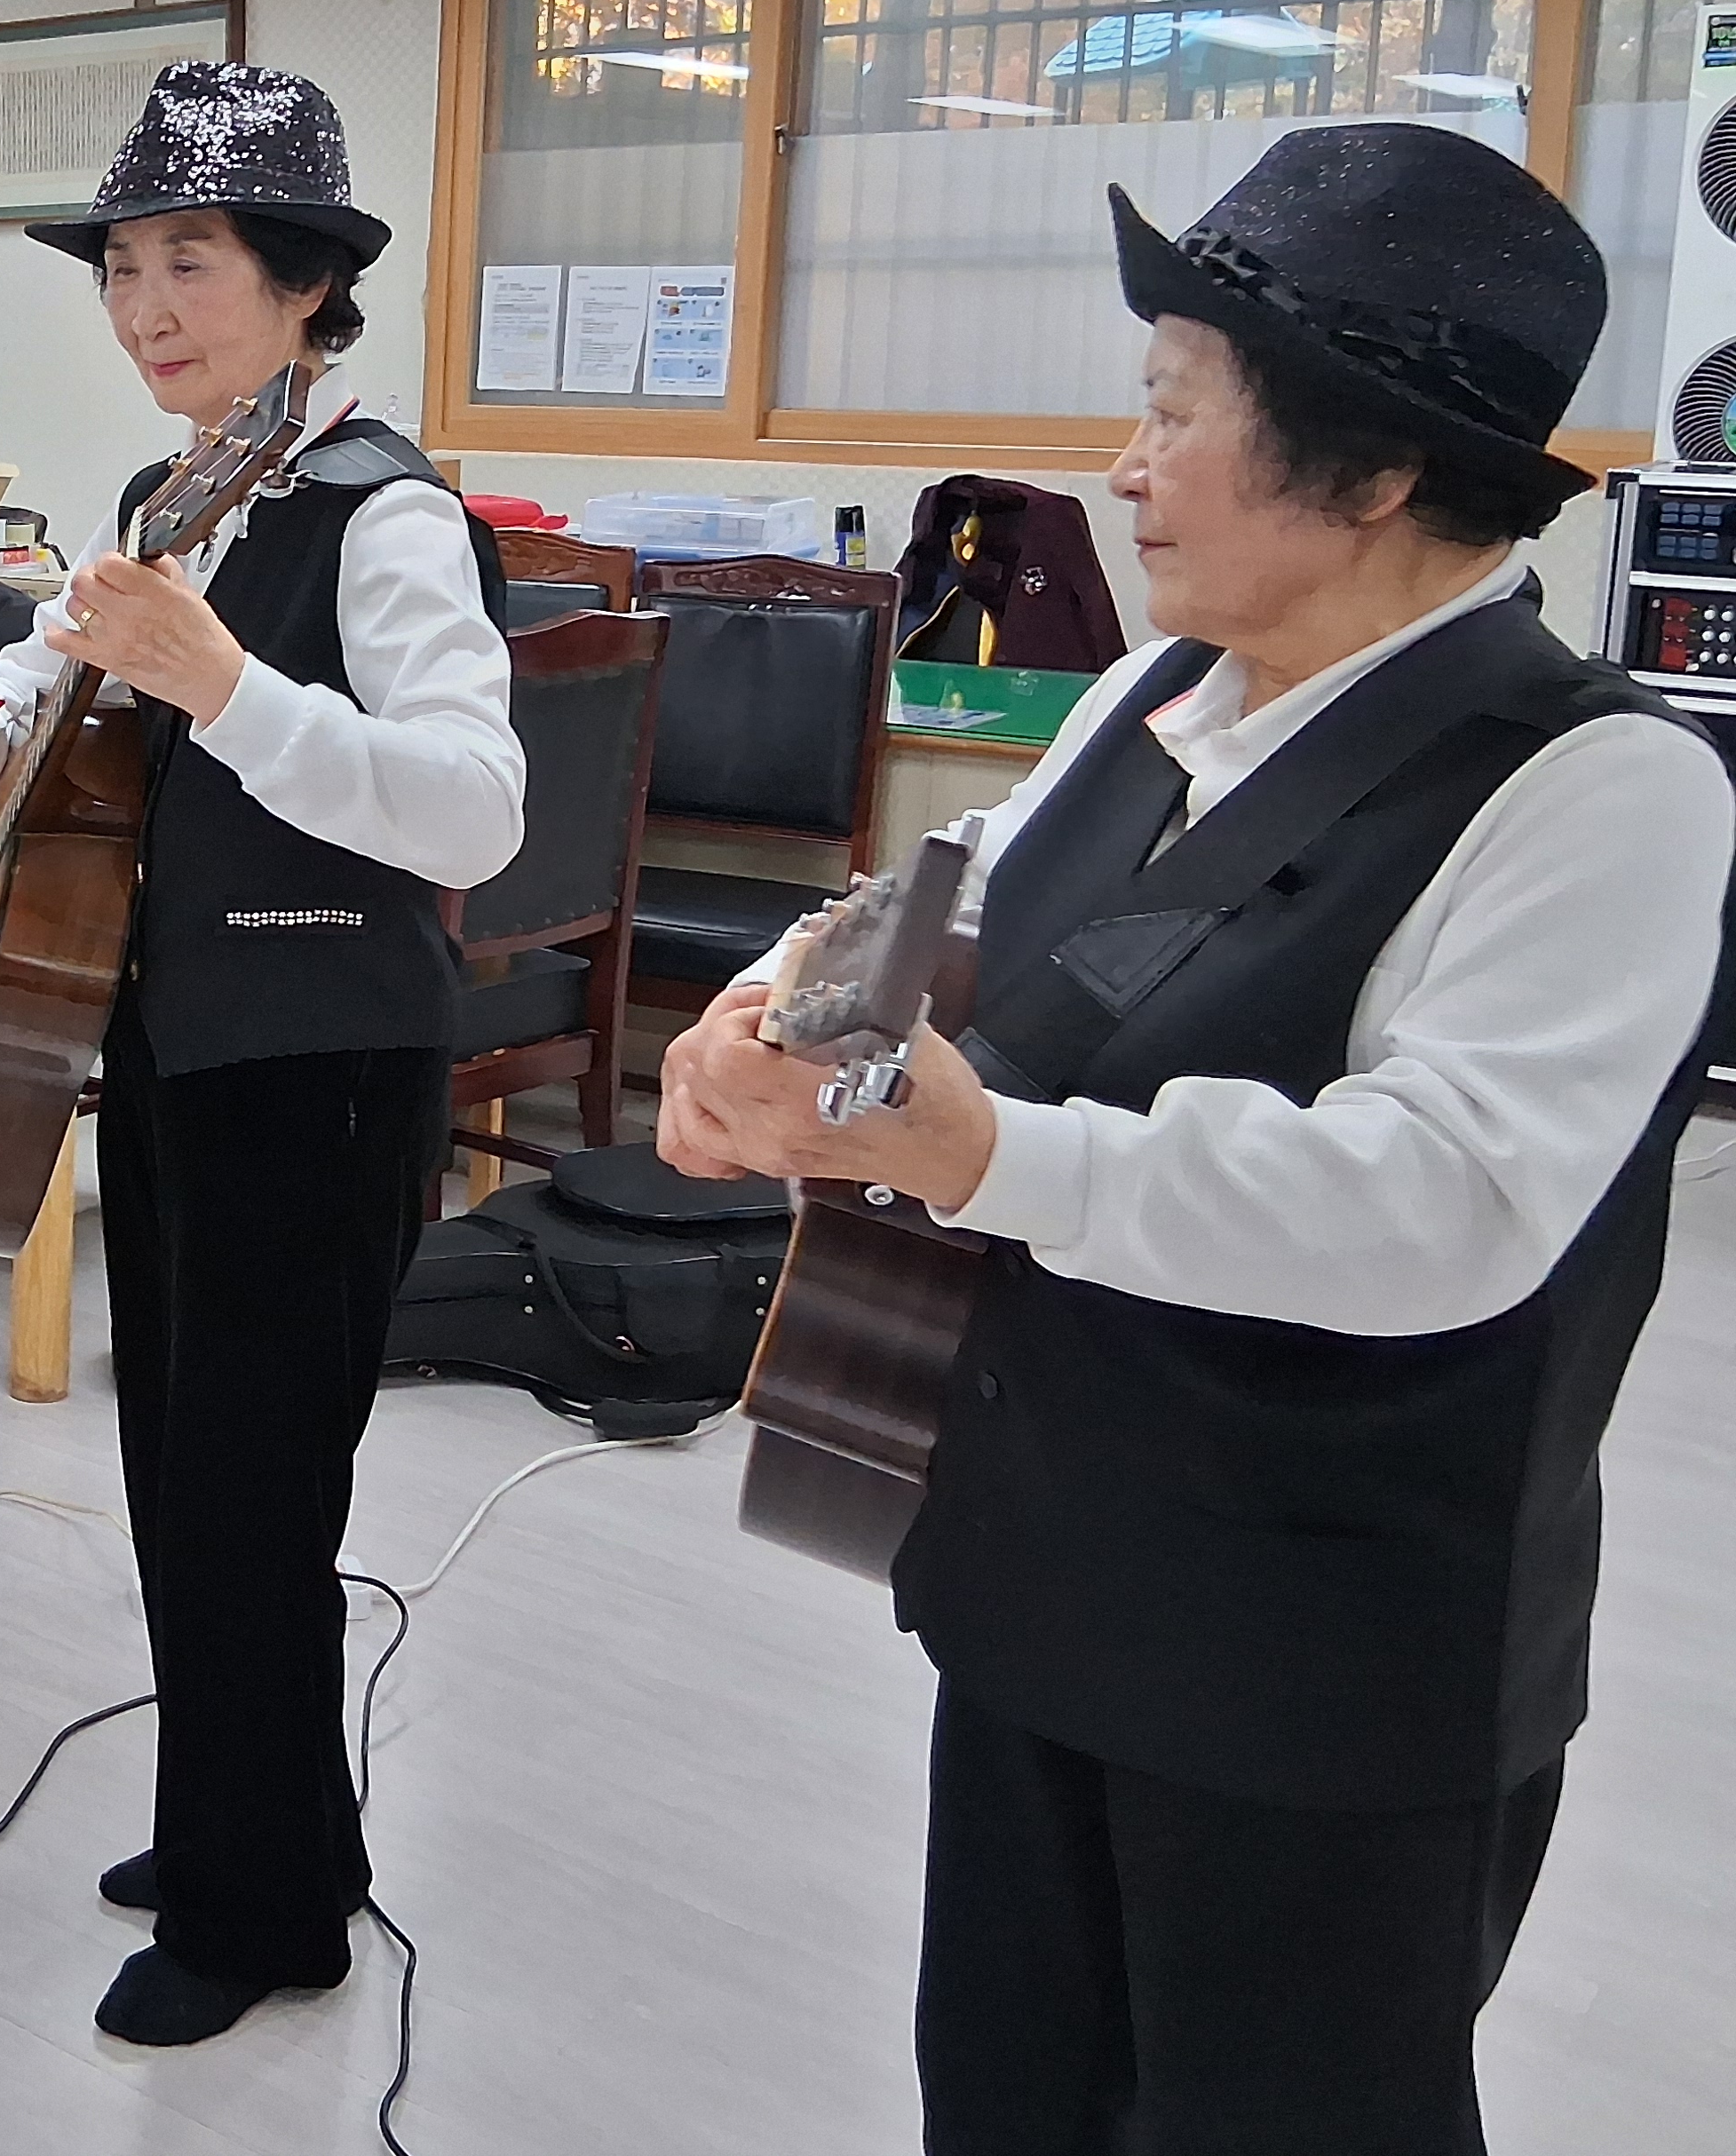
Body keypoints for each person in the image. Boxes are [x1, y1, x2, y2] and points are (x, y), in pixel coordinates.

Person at [654, 126, 1732, 2156]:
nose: (1121, 469)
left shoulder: (1596, 783)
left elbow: (1447, 1203)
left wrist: (984, 1159)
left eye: (1170, 414)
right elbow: (943, 920)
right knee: (1006, 2095)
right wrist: (782, 1014)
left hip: (1323, 1674)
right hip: (1038, 1570)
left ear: (1380, 467)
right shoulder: (1149, 696)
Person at [0, 63, 525, 2046]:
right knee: (178, 1470)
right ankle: (251, 1821)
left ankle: (271, 1918)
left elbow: (474, 814)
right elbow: (72, 699)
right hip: (171, 1044)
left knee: (259, 1493)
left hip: (321, 1063)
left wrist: (239, 690)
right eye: (125, 267)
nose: (147, 304)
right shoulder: (178, 494)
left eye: (192, 261)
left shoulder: (384, 514)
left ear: (302, 283)